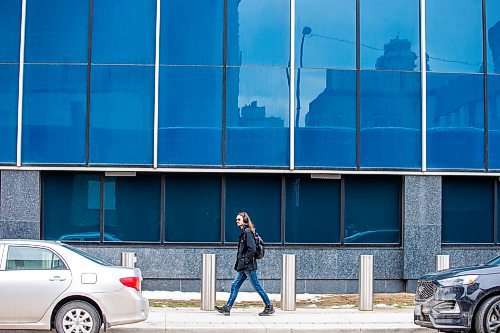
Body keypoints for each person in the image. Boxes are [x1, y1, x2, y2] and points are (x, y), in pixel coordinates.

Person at [215, 211, 275, 316]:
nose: (236, 221)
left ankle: (269, 306)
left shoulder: (247, 232)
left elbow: (251, 249)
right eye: (236, 220)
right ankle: (227, 308)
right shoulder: (244, 232)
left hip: (248, 266)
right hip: (244, 265)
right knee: (235, 285)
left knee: (257, 286)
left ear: (245, 220)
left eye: (238, 219)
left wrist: (245, 262)